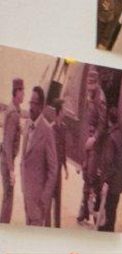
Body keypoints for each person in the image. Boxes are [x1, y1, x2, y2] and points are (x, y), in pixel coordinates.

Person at [20, 86, 57, 226]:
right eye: (30, 102)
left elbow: (53, 169)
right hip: (26, 195)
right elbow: (24, 159)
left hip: (38, 202)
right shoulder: (27, 124)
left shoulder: (47, 131)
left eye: (34, 103)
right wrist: (23, 186)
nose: (31, 107)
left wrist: (44, 198)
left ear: (41, 106)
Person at [77, 69, 107, 226]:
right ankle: (86, 208)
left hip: (95, 144)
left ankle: (93, 208)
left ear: (96, 83)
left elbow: (102, 124)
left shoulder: (100, 98)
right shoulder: (90, 95)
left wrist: (94, 139)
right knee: (85, 172)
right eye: (87, 84)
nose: (88, 88)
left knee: (91, 175)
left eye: (91, 84)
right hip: (88, 140)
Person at [0, 77, 24, 224]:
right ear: (16, 92)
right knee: (8, 199)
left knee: (7, 197)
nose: (24, 94)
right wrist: (11, 170)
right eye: (22, 90)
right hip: (7, 161)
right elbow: (8, 144)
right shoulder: (13, 114)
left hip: (6, 159)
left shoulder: (14, 110)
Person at [99, 105, 122, 232]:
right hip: (118, 184)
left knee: (107, 215)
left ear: (109, 120)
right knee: (112, 213)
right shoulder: (120, 135)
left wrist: (105, 182)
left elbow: (110, 163)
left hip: (111, 183)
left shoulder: (111, 138)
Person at [49, 98, 69, 228]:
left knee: (58, 200)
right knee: (48, 200)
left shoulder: (64, 128)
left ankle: (57, 228)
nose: (66, 111)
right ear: (59, 111)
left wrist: (66, 168)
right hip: (51, 171)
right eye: (64, 108)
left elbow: (63, 149)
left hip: (59, 171)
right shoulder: (50, 129)